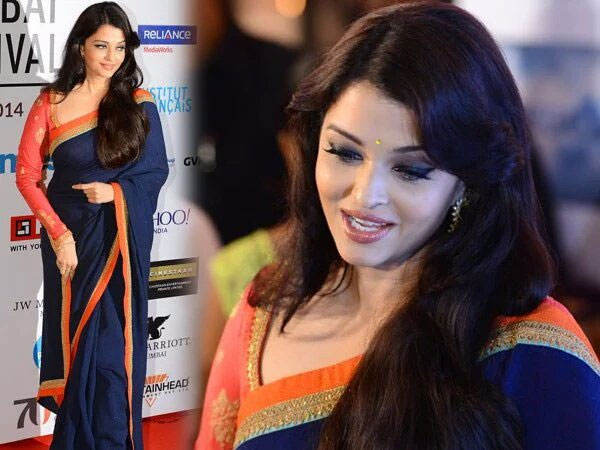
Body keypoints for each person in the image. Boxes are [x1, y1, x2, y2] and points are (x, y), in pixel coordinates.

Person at [195, 3, 600, 450]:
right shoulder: (263, 313)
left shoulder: (529, 351)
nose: (364, 196)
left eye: (410, 170)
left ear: (465, 183)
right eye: (345, 153)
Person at [15, 2, 168, 449]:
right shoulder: (51, 102)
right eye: (102, 46)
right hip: (71, 241)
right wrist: (59, 235)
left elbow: (154, 172)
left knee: (112, 352)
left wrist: (116, 193)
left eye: (120, 48)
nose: (111, 57)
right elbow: (26, 176)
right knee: (79, 346)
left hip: (118, 238)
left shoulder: (138, 103)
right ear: (80, 46)